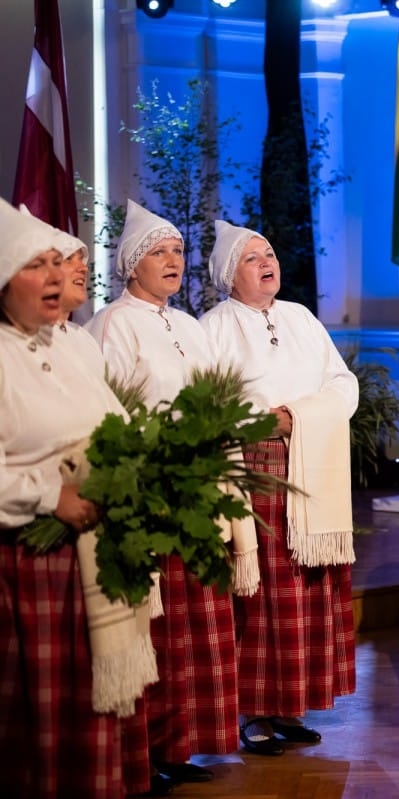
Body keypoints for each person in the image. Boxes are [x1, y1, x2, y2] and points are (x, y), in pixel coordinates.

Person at [0, 198, 156, 797]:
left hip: (96, 555)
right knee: (40, 721)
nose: (55, 276)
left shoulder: (69, 346)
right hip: (31, 566)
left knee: (95, 711)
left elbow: (115, 423)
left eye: (56, 264)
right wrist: (48, 495)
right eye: (34, 265)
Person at [85, 200, 237, 784]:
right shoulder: (113, 324)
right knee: (153, 629)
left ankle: (178, 747)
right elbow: (109, 411)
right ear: (130, 265)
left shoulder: (191, 325)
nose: (173, 260)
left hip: (197, 489)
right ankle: (140, 753)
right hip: (149, 491)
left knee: (191, 630)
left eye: (177, 251)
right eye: (159, 252)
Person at [200, 219, 359, 754]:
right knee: (264, 587)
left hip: (310, 459)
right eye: (252, 257)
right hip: (254, 463)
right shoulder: (215, 326)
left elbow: (343, 383)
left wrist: (299, 416)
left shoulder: (301, 318)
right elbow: (207, 398)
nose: (267, 262)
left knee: (306, 585)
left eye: (269, 252)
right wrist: (266, 423)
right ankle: (254, 710)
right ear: (229, 273)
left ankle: (291, 703)